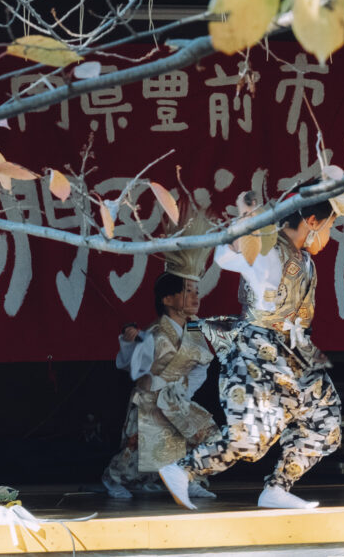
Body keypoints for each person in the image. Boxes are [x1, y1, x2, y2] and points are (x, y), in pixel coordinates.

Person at [160, 173, 344, 510]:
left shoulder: (304, 259)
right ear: (313, 221)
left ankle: (276, 488)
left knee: (326, 422)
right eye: (331, 226)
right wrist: (244, 229)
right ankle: (183, 469)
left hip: (294, 355)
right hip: (256, 355)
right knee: (251, 439)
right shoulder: (270, 251)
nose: (331, 235)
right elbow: (226, 258)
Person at [102, 211, 219, 500]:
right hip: (151, 398)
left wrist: (185, 392)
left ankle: (190, 478)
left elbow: (200, 366)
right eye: (187, 292)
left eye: (197, 291)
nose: (195, 298)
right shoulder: (153, 332)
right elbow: (131, 366)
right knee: (140, 448)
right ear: (167, 299)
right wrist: (130, 343)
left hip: (177, 398)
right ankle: (113, 479)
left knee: (206, 436)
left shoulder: (192, 327)